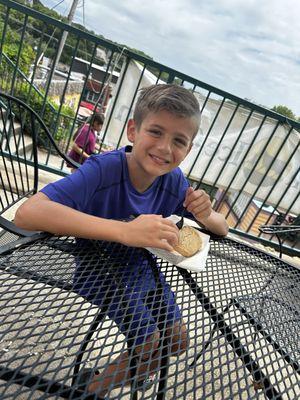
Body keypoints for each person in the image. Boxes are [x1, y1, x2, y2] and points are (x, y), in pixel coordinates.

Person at [14, 84, 229, 397]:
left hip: (143, 272)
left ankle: (119, 374)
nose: (165, 148)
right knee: (151, 343)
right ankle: (94, 388)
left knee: (179, 340)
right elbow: (29, 213)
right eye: (155, 132)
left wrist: (206, 213)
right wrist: (124, 231)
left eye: (179, 141)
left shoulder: (173, 181)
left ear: (189, 149)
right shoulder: (104, 171)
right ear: (133, 131)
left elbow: (221, 229)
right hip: (97, 271)